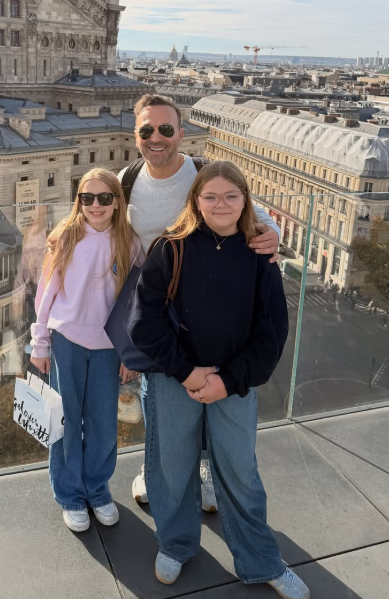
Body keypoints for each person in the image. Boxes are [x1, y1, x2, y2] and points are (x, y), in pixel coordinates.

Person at [127, 161, 310, 599]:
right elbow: (142, 322)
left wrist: (226, 381)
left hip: (231, 383)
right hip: (176, 379)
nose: (220, 204)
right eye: (210, 196)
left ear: (247, 201)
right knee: (171, 468)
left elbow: (271, 334)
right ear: (196, 201)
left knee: (240, 473)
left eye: (231, 196)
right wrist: (188, 372)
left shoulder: (260, 256)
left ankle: (261, 560)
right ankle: (176, 544)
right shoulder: (170, 248)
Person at [119, 94, 280, 509]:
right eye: (147, 130)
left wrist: (274, 235)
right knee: (157, 394)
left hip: (205, 300)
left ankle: (204, 468)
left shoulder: (202, 174)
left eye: (166, 129)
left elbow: (254, 215)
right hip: (155, 299)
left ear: (181, 133)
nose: (157, 138)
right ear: (136, 135)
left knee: (208, 385)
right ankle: (157, 467)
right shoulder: (127, 179)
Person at [30, 168, 143, 532]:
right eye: (87, 198)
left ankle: (97, 489)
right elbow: (46, 294)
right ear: (78, 201)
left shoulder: (130, 242)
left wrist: (131, 353)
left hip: (110, 346)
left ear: (117, 202)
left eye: (104, 198)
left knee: (103, 424)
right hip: (67, 341)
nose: (95, 205)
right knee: (65, 422)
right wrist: (40, 342)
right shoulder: (65, 237)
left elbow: (135, 303)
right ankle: (69, 494)